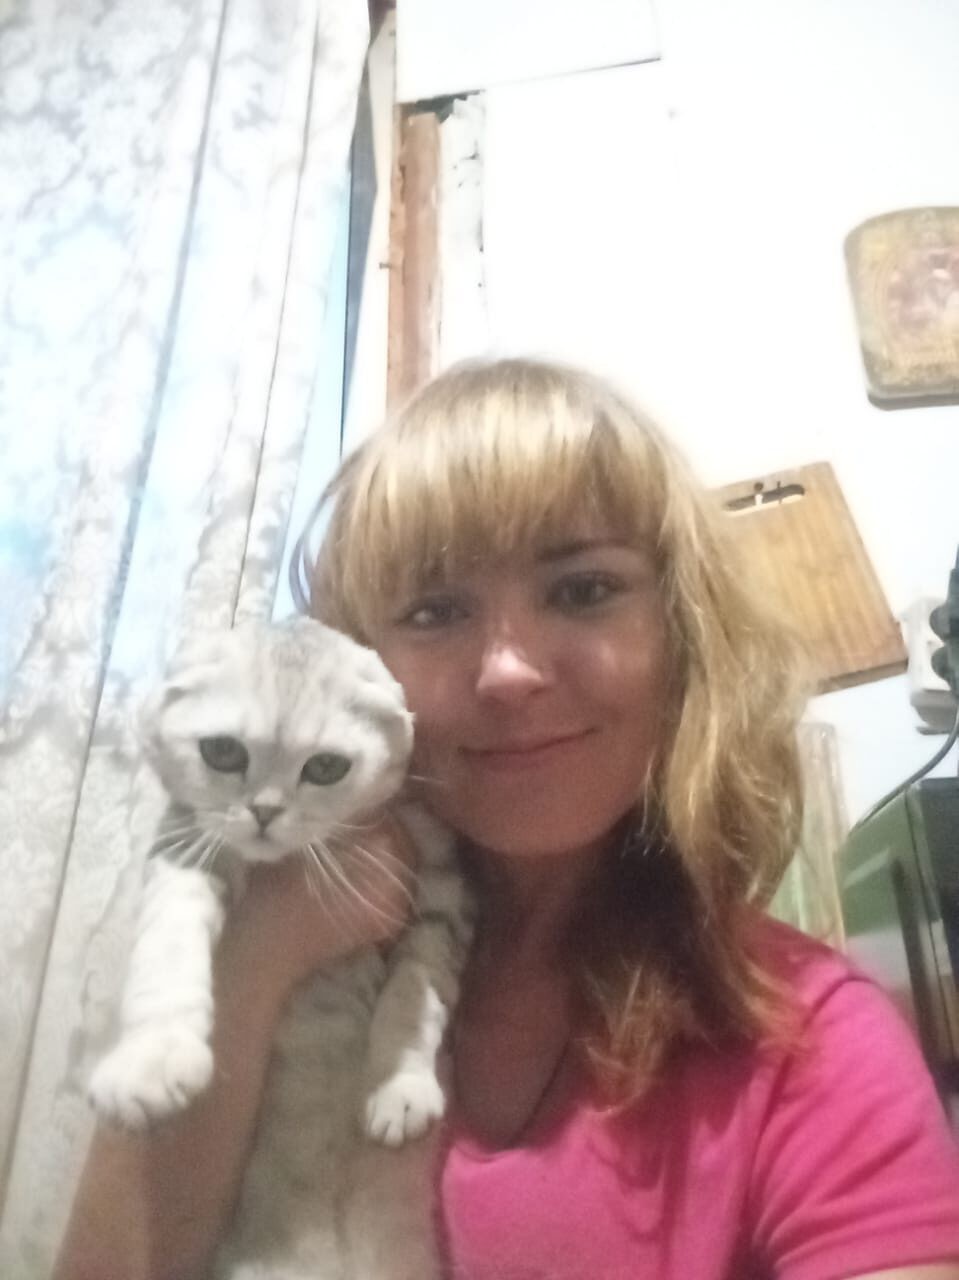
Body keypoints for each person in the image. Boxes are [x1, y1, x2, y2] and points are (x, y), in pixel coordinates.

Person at [56, 358, 959, 1280]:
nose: (507, 672)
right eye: (435, 610)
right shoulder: (256, 932)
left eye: (581, 590)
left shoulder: (812, 1042)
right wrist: (264, 950)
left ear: (682, 634)